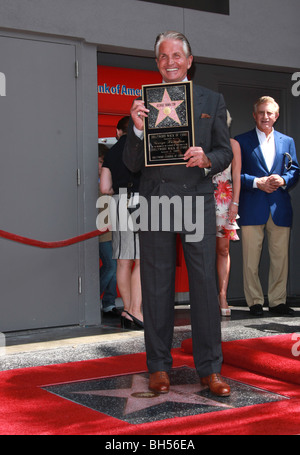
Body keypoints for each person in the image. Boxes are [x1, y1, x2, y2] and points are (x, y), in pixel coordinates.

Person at [123, 31, 233, 397]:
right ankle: (157, 366)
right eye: (162, 56)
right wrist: (136, 132)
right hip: (155, 202)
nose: (169, 62)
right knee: (156, 287)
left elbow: (225, 151)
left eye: (176, 55)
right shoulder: (145, 102)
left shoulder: (211, 100)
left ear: (188, 61)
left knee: (203, 286)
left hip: (196, 199)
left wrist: (208, 160)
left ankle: (210, 369)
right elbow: (132, 164)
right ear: (157, 63)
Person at [235, 96, 299, 317]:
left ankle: (278, 302)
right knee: (251, 260)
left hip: (279, 208)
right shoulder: (241, 141)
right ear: (254, 115)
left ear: (276, 116)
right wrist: (256, 182)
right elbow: (234, 175)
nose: (265, 117)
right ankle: (254, 302)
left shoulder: (287, 141)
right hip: (252, 207)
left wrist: (283, 180)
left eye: (269, 113)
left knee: (280, 258)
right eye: (261, 112)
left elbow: (294, 169)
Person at [100, 116, 143, 329]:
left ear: (118, 132)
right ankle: (136, 311)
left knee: (123, 261)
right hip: (140, 201)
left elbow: (104, 188)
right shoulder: (143, 146)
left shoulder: (112, 152)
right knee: (142, 260)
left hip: (117, 201)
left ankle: (127, 310)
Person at [213, 111, 241, 317]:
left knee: (223, 250)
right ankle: (205, 296)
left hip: (225, 201)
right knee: (200, 252)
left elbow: (236, 176)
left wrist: (236, 203)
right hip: (202, 200)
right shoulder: (202, 144)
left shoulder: (233, 145)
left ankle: (222, 295)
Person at [98, 144, 118, 318]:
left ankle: (109, 303)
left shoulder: (108, 180)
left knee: (115, 267)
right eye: (99, 162)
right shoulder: (90, 182)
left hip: (113, 230)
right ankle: (91, 296)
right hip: (100, 233)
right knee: (111, 266)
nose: (100, 166)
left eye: (102, 162)